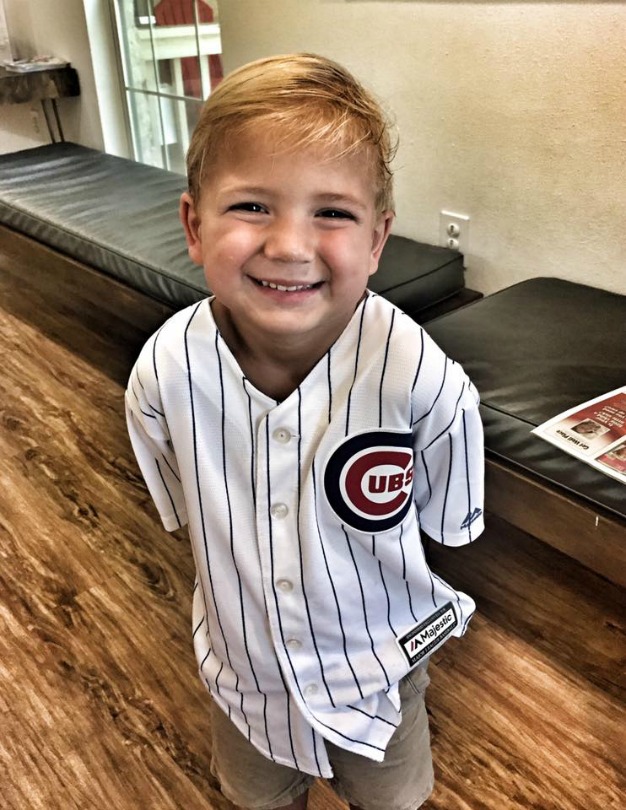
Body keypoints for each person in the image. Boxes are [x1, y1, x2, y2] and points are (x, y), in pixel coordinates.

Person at [125, 53, 485, 810]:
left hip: (378, 670)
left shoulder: (421, 380)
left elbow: (448, 523)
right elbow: (187, 510)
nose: (289, 245)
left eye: (333, 212)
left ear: (378, 239)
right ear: (194, 223)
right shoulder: (163, 375)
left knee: (391, 801)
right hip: (242, 676)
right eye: (252, 206)